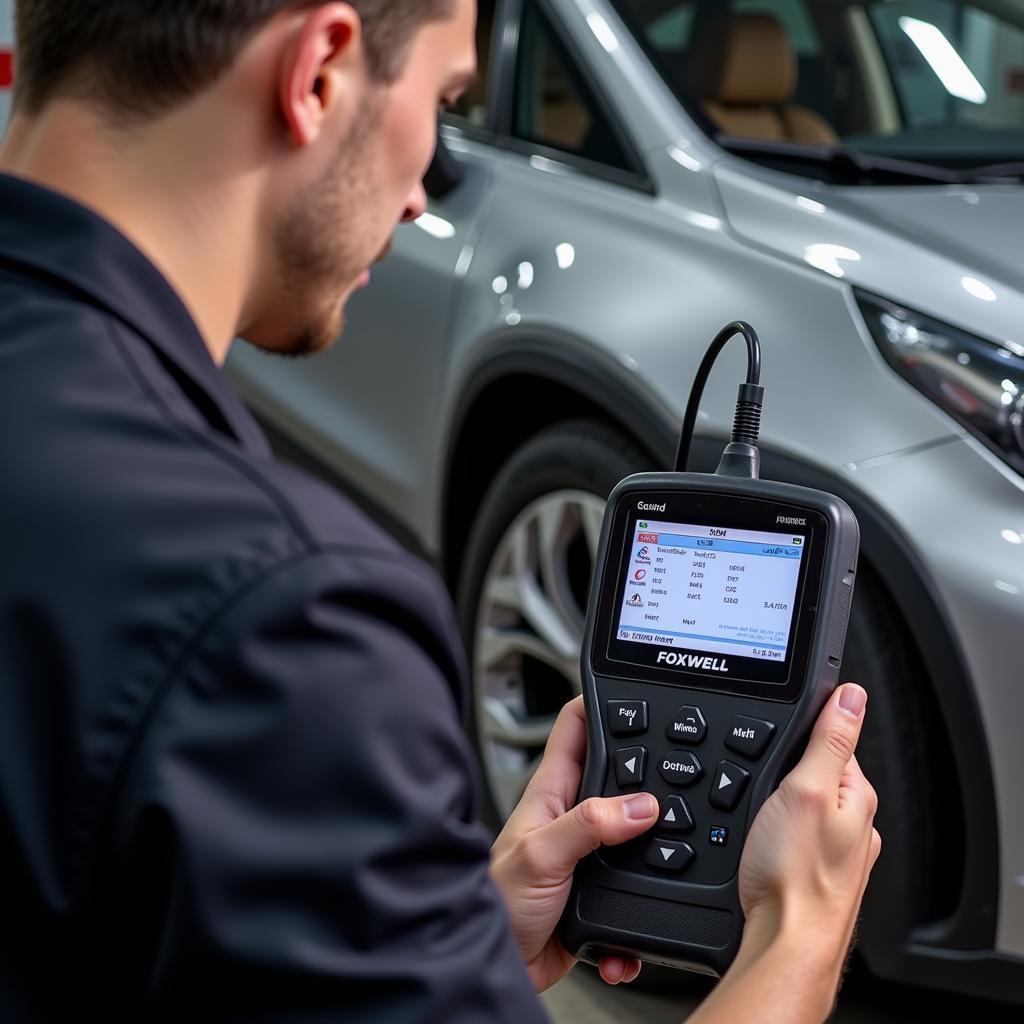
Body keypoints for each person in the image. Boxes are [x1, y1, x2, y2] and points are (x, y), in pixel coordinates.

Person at [0, 0, 880, 1020]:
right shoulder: (284, 619)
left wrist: (435, 948)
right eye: (443, 98)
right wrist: (797, 937)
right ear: (318, 73)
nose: (423, 197)